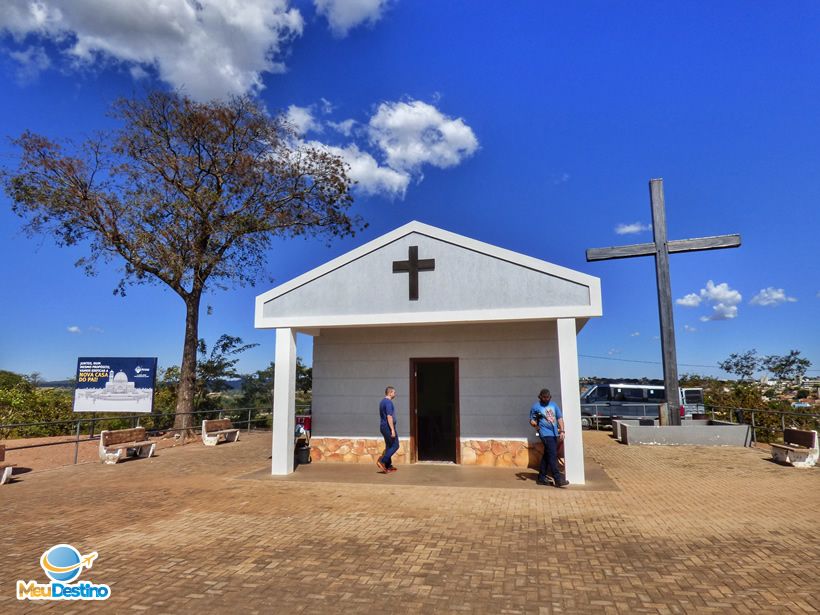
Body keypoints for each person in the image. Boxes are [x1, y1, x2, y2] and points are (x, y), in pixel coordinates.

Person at [530, 388, 569, 488]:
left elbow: (559, 418)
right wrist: (535, 424)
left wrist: (562, 430)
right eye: (544, 397)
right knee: (552, 454)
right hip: (544, 433)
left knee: (547, 454)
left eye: (548, 397)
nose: (546, 399)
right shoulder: (536, 407)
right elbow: (531, 420)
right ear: (540, 397)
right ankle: (558, 479)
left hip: (554, 433)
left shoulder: (554, 405)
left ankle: (541, 478)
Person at [377, 386, 399, 473]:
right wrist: (392, 430)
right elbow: (389, 416)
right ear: (390, 393)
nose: (395, 394)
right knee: (395, 445)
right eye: (394, 392)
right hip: (388, 427)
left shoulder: (382, 402)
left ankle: (388, 465)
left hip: (383, 427)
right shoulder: (388, 402)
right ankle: (382, 461)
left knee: (389, 446)